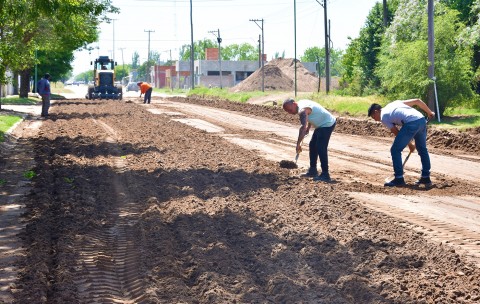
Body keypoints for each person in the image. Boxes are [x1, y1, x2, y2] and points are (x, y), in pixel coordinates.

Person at [368, 99, 435, 187]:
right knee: (422, 150)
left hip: (411, 123)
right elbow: (417, 101)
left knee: (395, 150)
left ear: (376, 112)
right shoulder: (394, 103)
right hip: (421, 119)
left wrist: (410, 145)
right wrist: (429, 112)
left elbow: (395, 131)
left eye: (374, 117)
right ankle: (426, 177)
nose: (376, 120)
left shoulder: (384, 116)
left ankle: (399, 178)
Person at [283, 98, 337, 182]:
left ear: (294, 104)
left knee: (321, 147)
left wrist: (298, 144)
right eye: (287, 111)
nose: (289, 112)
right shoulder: (300, 104)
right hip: (321, 125)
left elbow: (302, 128)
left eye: (289, 110)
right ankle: (313, 170)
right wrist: (308, 127)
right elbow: (311, 114)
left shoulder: (302, 110)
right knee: (313, 145)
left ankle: (325, 174)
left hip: (327, 123)